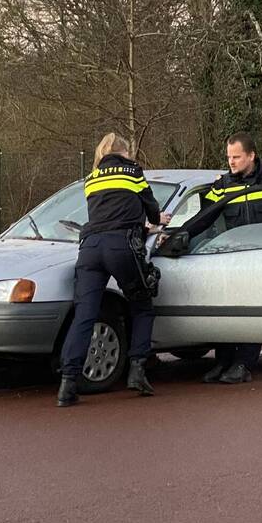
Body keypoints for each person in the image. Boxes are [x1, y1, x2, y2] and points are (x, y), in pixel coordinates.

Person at [57, 133, 172, 407]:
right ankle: (137, 370)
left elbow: (107, 214)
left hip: (90, 248)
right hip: (121, 247)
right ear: (125, 152)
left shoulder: (91, 178)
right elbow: (150, 208)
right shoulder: (133, 172)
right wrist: (155, 222)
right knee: (142, 304)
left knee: (84, 315)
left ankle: (67, 384)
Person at [191, 132, 262, 384]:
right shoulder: (223, 184)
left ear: (251, 156)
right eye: (229, 157)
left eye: (236, 157)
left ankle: (243, 364)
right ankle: (223, 362)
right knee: (228, 312)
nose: (231, 162)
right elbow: (203, 217)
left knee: (252, 312)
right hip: (233, 258)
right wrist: (179, 235)